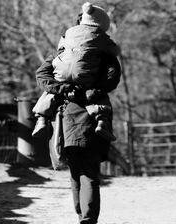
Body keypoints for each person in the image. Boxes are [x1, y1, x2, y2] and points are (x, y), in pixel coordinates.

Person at [35, 12, 121, 224]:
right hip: (94, 116)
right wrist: (95, 90)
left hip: (66, 117)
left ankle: (81, 218)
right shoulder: (104, 52)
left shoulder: (65, 50)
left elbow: (42, 74)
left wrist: (61, 89)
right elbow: (113, 76)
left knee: (75, 173)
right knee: (90, 175)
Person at [32, 2, 120, 142]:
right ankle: (103, 122)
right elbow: (114, 62)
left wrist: (62, 88)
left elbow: (43, 71)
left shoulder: (68, 34)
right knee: (98, 96)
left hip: (62, 77)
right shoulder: (102, 37)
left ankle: (41, 119)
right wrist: (96, 91)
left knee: (49, 93)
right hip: (86, 78)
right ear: (103, 24)